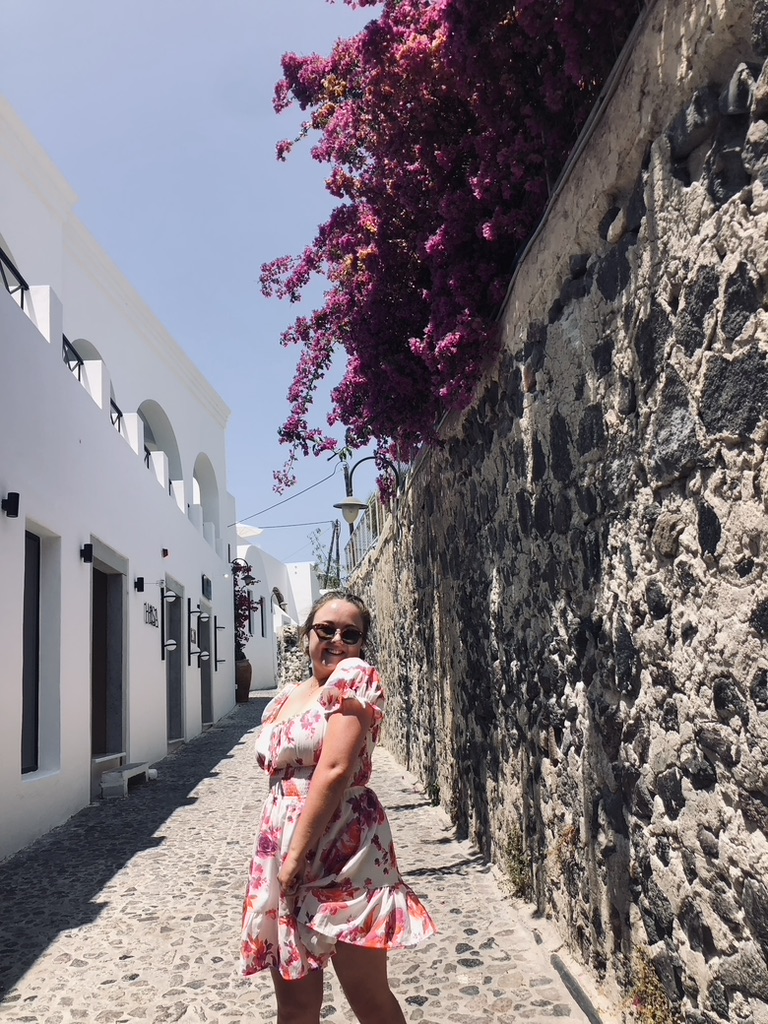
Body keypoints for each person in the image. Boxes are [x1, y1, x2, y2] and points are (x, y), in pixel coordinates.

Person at [241, 590, 436, 1023]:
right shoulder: (287, 697)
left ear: (362, 643)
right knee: (293, 1006)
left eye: (351, 633)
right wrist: (283, 859)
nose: (337, 640)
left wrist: (294, 858)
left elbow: (334, 769)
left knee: (367, 996)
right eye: (325, 630)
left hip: (343, 849)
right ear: (307, 635)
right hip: (282, 846)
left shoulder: (355, 677)